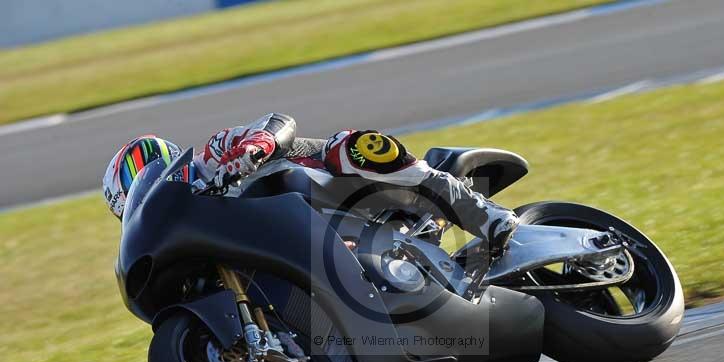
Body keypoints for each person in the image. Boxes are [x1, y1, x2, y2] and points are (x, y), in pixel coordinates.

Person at [102, 113, 519, 254]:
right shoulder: (186, 230)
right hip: (302, 243)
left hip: (332, 183)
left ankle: (485, 216)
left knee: (357, 147)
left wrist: (257, 148)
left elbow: (278, 123)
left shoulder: (212, 156)